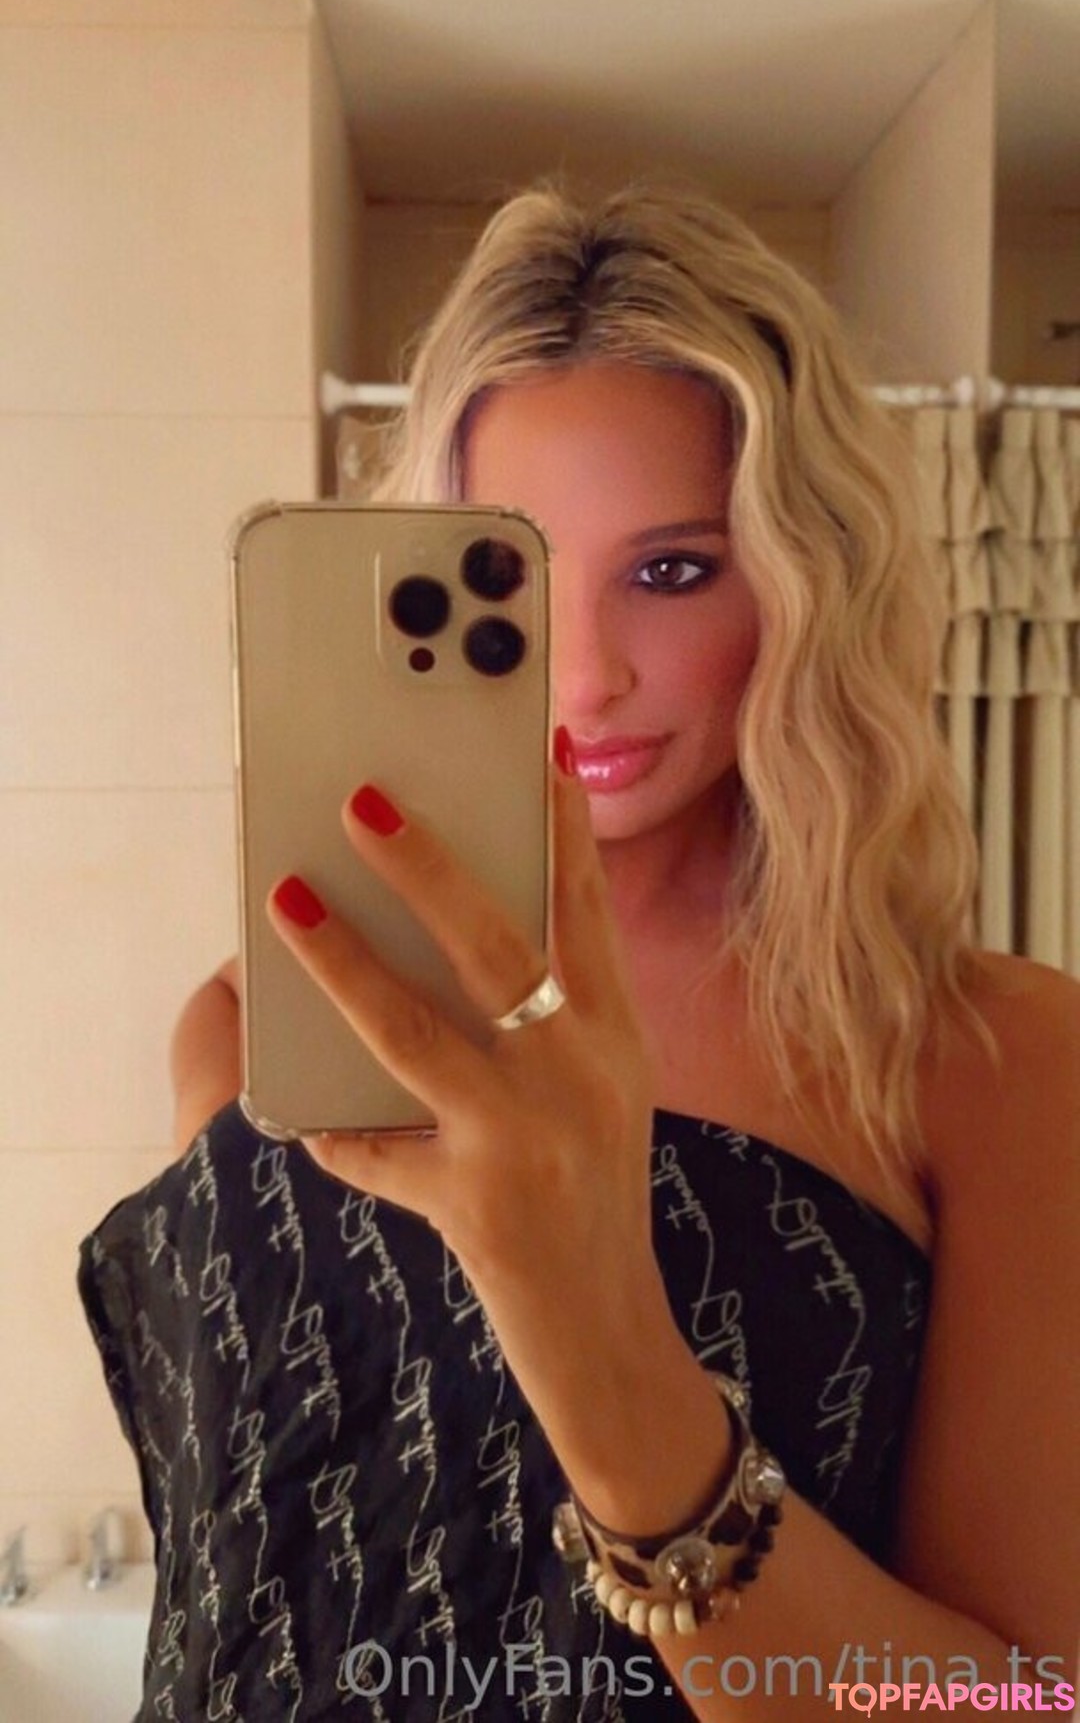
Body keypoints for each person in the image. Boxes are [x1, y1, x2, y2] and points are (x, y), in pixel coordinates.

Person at [80, 182, 1079, 1721]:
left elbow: (1024, 1705)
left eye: (673, 570)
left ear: (803, 582)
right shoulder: (251, 1031)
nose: (590, 672)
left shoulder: (987, 1064)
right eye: (518, 574)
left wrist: (597, 1336)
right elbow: (246, 1586)